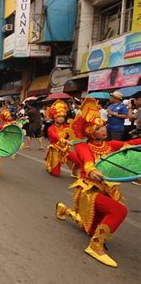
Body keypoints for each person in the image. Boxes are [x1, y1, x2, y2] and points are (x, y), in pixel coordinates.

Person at [55, 98, 141, 268]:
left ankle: (64, 209)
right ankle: (95, 247)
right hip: (90, 191)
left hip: (106, 191)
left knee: (90, 227)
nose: (104, 130)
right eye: (99, 128)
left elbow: (130, 144)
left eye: (104, 127)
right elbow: (87, 160)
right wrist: (92, 170)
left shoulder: (109, 145)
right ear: (90, 131)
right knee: (119, 211)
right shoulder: (83, 146)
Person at [44, 100, 80, 177]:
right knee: (55, 173)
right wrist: (65, 141)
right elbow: (55, 136)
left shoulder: (66, 126)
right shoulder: (51, 128)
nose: (61, 119)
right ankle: (50, 164)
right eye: (59, 117)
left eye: (63, 117)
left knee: (79, 160)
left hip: (65, 149)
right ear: (54, 117)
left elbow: (74, 132)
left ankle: (74, 172)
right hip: (56, 149)